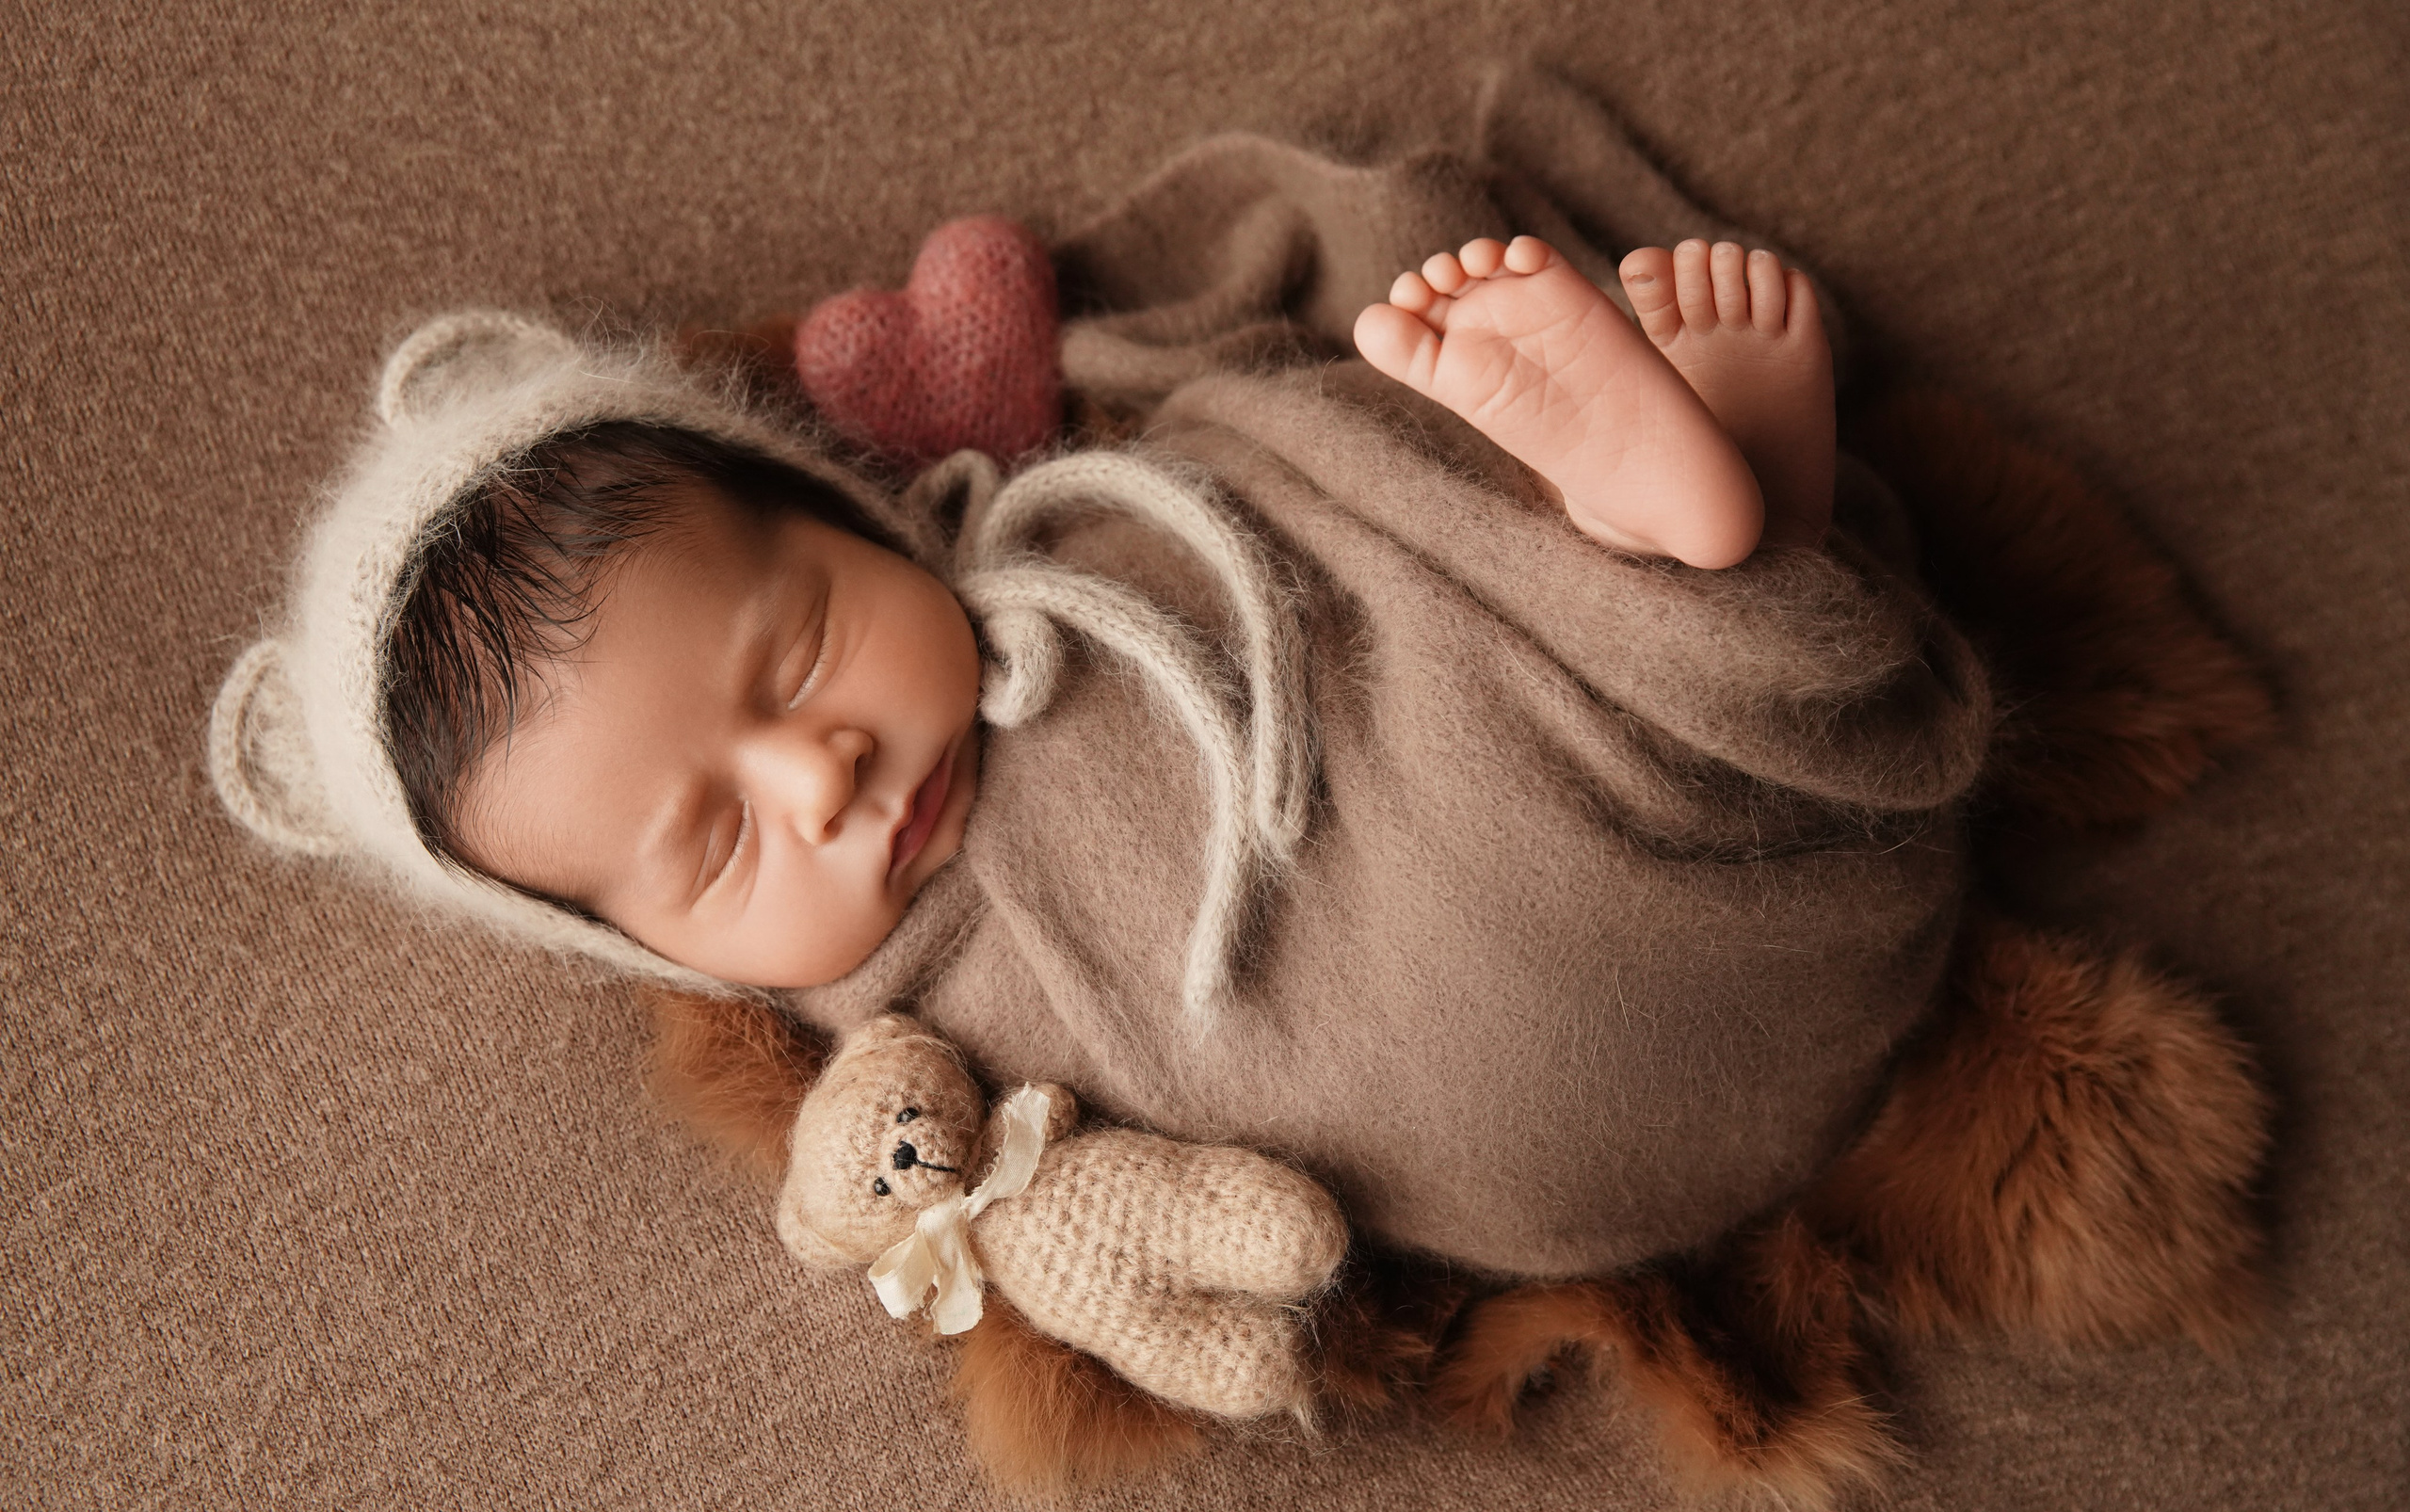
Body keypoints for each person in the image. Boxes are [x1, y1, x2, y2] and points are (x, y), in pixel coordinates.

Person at [212, 213, 1987, 1279]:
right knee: (1524, 831)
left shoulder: (1089, 545)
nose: (816, 776)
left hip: (1546, 820)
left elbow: (1321, 531)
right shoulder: (899, 1046)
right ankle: (1704, 550)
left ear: (861, 514)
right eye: (716, 849)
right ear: (646, 948)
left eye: (803, 645)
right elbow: (1055, 1204)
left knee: (1419, 563)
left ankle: (1666, 543)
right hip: (1508, 1092)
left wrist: (1367, 482)